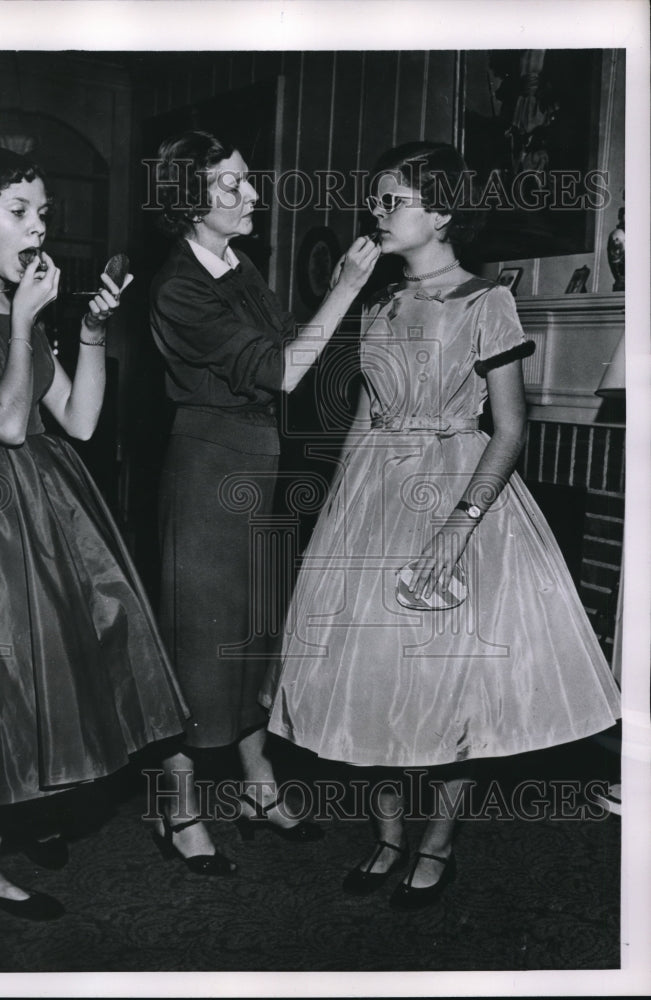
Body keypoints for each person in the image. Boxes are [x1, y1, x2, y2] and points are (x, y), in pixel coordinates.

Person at [260, 141, 622, 908]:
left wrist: (459, 525)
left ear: (443, 212)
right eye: (377, 200)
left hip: (458, 496)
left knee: (453, 684)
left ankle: (437, 843)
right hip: (372, 499)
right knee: (375, 677)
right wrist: (335, 523)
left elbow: (511, 430)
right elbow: (365, 415)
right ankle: (388, 838)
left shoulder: (485, 302)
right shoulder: (381, 303)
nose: (377, 212)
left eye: (393, 200)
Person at [0, 147, 189, 919]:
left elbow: (80, 421)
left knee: (42, 670)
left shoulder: (20, 303)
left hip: (44, 509)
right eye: (17, 212)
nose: (37, 228)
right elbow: (8, 421)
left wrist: (87, 330)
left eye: (44, 213)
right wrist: (26, 321)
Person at [148, 130, 379, 874]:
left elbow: (295, 347)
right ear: (189, 196)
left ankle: (255, 785)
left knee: (253, 633)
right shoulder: (178, 285)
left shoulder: (238, 265)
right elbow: (282, 370)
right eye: (229, 186)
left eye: (247, 182)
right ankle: (177, 805)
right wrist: (345, 285)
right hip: (208, 470)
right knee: (200, 645)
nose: (251, 195)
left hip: (258, 462)